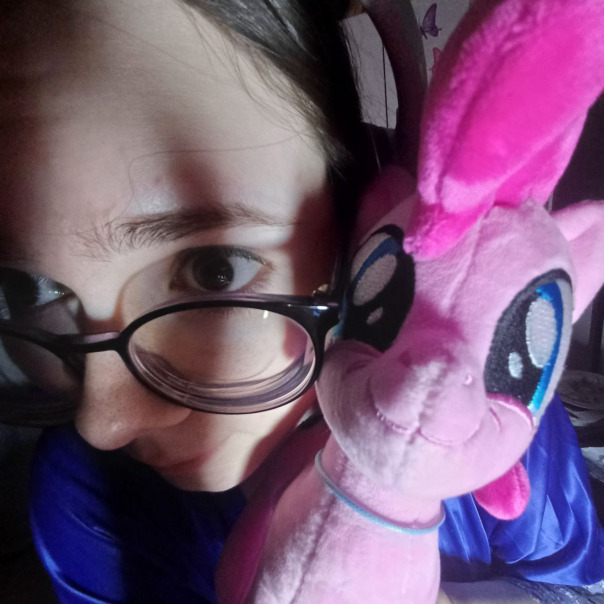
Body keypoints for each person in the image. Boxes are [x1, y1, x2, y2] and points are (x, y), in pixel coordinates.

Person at [0, 1, 602, 602]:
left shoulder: (490, 410)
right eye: (33, 288)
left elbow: (576, 586)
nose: (104, 424)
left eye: (213, 271)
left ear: (356, 212)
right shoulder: (85, 491)